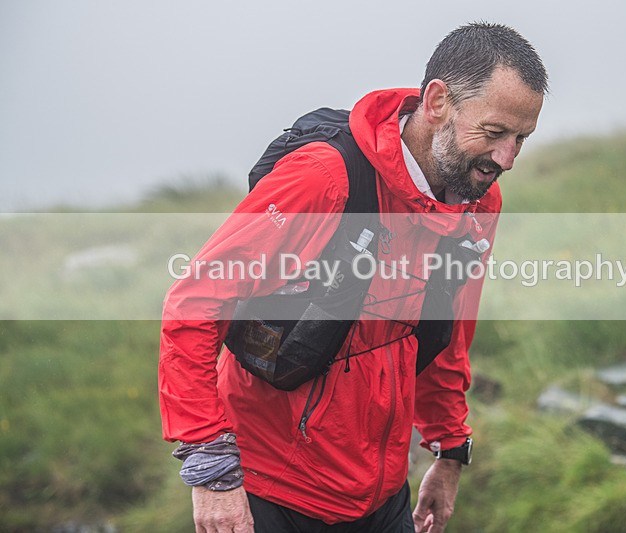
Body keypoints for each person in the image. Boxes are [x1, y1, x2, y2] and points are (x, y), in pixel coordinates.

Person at [159, 22, 547, 533]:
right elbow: (195, 304)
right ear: (437, 103)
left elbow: (447, 335)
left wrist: (448, 450)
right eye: (495, 133)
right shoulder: (325, 179)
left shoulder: (478, 201)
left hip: (381, 497)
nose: (507, 159)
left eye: (522, 138)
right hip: (268, 491)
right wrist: (211, 471)